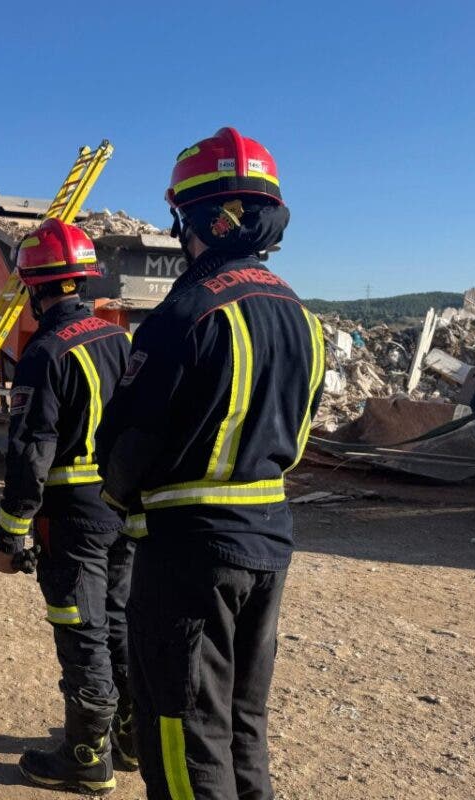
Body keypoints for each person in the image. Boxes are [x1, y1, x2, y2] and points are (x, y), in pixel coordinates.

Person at [96, 127, 325, 800]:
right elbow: (300, 435)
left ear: (190, 217)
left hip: (190, 556)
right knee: (241, 725)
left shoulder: (187, 312)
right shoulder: (301, 317)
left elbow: (127, 447)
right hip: (268, 543)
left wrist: (119, 502)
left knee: (183, 731)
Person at [0, 219, 136, 795]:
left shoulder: (45, 352)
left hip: (72, 517)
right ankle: (128, 738)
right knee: (119, 622)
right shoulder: (120, 341)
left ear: (33, 287)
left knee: (82, 630)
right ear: (82, 280)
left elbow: (31, 454)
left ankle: (83, 756)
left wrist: (11, 534)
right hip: (122, 510)